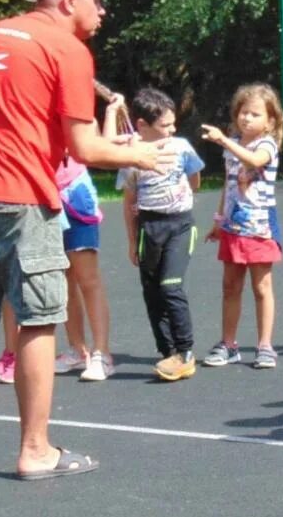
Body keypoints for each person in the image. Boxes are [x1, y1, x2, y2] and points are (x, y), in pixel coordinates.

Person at [0, 0, 175, 480]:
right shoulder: (68, 48)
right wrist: (140, 156)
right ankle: (35, 451)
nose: (104, 8)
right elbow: (83, 146)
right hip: (20, 196)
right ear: (68, 0)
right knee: (38, 318)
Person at [114, 88, 204, 381]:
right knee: (152, 292)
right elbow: (129, 202)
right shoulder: (132, 156)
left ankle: (186, 351)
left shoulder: (181, 147)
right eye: (164, 125)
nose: (172, 129)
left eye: (172, 123)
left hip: (179, 225)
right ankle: (168, 353)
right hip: (148, 229)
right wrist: (131, 241)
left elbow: (196, 181)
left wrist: (178, 196)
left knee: (170, 286)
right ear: (142, 126)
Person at [200, 83, 283, 369]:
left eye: (255, 114)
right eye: (243, 112)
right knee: (230, 287)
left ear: (270, 121)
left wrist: (224, 140)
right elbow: (229, 185)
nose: (246, 118)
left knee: (262, 287)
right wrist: (219, 220)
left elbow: (253, 160)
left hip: (260, 228)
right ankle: (229, 344)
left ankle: (265, 346)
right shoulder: (233, 146)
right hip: (233, 228)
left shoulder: (267, 145)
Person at [52, 154, 115, 382]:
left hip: (74, 193)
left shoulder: (70, 118)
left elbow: (89, 145)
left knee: (87, 278)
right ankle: (77, 349)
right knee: (62, 277)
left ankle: (102, 354)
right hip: (43, 194)